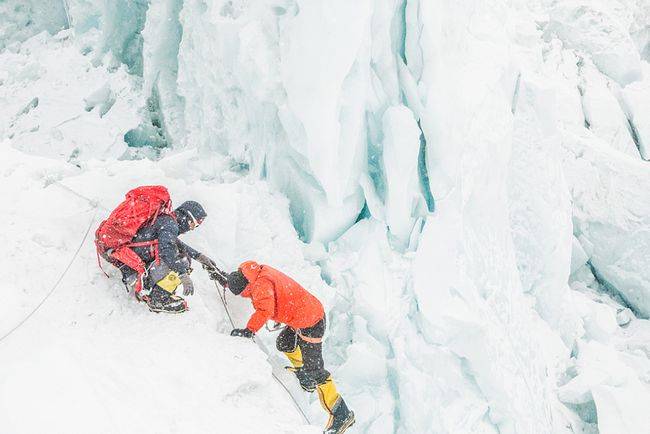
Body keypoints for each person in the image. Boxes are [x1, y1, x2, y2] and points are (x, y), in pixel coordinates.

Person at [222, 261, 355, 434]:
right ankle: (304, 377)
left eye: (243, 293)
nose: (245, 296)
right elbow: (244, 285)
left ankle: (341, 414)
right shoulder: (254, 273)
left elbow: (264, 310)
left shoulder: (261, 286)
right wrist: (225, 280)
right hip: (303, 313)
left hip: (311, 322)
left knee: (315, 370)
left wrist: (249, 330)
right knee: (285, 343)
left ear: (246, 286)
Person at [96, 186, 218, 314]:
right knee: (182, 259)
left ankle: (142, 283)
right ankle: (158, 299)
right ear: (188, 217)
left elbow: (174, 242)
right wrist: (182, 273)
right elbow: (167, 250)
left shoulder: (166, 219)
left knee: (177, 255)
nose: (193, 228)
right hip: (123, 254)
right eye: (195, 224)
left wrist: (199, 256)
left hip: (118, 251)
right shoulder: (169, 223)